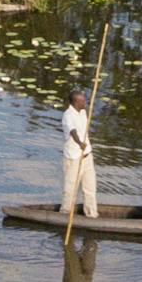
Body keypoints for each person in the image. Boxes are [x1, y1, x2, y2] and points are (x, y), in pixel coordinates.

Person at [60, 88, 98, 218]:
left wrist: (84, 146)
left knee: (90, 188)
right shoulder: (67, 115)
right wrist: (79, 143)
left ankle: (91, 215)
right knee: (70, 189)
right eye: (83, 101)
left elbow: (83, 128)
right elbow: (73, 131)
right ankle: (65, 214)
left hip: (87, 155)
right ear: (76, 102)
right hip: (74, 157)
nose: (85, 102)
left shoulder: (82, 112)